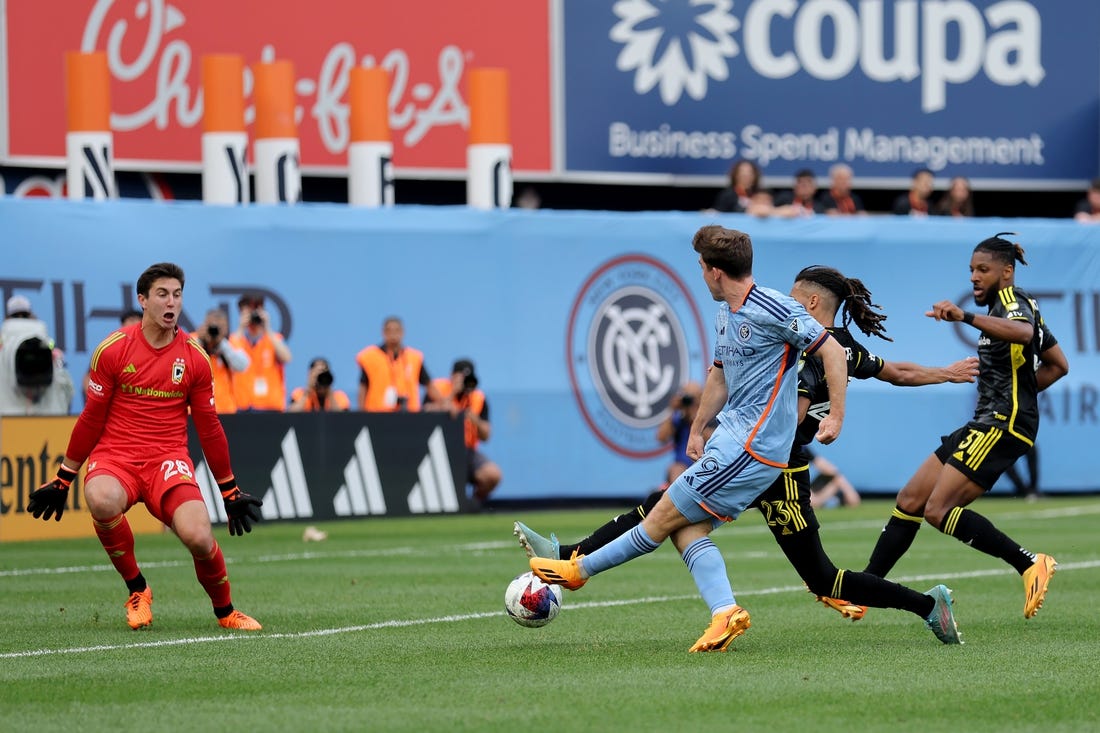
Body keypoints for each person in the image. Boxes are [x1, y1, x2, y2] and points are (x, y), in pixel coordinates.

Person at [520, 262, 974, 642]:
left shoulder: (805, 347)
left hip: (773, 466)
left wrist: (808, 417)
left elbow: (795, 412)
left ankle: (926, 604)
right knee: (674, 515)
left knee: (819, 576)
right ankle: (708, 606)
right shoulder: (843, 346)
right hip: (765, 459)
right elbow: (896, 371)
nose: (787, 302)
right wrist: (945, 373)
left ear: (812, 303)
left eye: (795, 297)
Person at [25, 262, 264, 631]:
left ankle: (226, 611)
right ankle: (138, 589)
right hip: (116, 456)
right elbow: (91, 419)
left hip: (167, 460)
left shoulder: (195, 357)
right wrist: (63, 479)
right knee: (101, 498)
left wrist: (229, 491)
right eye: (163, 294)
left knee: (200, 536)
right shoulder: (113, 349)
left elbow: (209, 427)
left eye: (178, 295)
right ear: (143, 300)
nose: (172, 303)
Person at [846, 233, 1069, 620]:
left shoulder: (1013, 305)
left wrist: (963, 316)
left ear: (1007, 272)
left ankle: (1030, 563)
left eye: (982, 270)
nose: (974, 278)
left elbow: (1024, 334)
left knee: (938, 509)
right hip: (986, 420)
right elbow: (1059, 365)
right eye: (971, 270)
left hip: (1000, 423)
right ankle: (865, 587)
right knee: (911, 499)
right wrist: (1024, 393)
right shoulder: (1012, 307)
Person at [425, 358, 502, 502]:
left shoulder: (478, 398)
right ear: (451, 375)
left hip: (467, 451)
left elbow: (486, 436)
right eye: (461, 377)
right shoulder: (439, 389)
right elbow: (424, 413)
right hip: (440, 449)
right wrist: (452, 395)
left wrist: (475, 420)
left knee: (492, 475)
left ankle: (473, 504)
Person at [0, 294, 75, 415]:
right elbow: (67, 391)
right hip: (46, 419)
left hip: (7, 421)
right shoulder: (46, 342)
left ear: (7, 316)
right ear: (30, 314)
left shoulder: (3, 345)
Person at [356, 316, 441, 412]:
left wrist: (443, 402)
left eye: (396, 330)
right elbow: (363, 387)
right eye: (389, 331)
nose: (393, 334)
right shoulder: (370, 357)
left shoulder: (413, 358)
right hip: (377, 414)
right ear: (383, 333)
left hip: (408, 415)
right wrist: (361, 413)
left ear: (403, 332)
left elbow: (429, 385)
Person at [230, 293, 291, 411]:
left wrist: (267, 328)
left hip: (271, 408)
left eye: (256, 309)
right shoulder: (236, 339)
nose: (253, 314)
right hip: (242, 409)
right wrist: (241, 327)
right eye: (249, 310)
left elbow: (286, 357)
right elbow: (230, 360)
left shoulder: (273, 338)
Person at [196, 308, 250, 414]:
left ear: (226, 328)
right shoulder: (194, 340)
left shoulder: (230, 343)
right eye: (212, 326)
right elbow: (182, 363)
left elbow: (243, 365)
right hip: (197, 412)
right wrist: (201, 342)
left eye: (219, 327)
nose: (215, 331)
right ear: (205, 325)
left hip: (226, 411)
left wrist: (221, 344)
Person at [656, 381, 703, 484]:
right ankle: (678, 497)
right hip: (682, 467)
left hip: (704, 467)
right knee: (675, 469)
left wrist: (694, 419)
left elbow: (708, 436)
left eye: (693, 399)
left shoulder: (710, 418)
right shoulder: (678, 418)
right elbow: (661, 438)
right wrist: (672, 410)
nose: (690, 402)